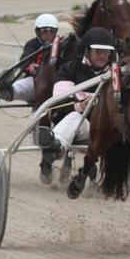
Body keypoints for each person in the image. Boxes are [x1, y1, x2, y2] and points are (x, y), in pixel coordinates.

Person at [38, 27, 116, 183]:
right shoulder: (69, 69)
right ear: (87, 51)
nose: (102, 56)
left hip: (100, 130)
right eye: (98, 51)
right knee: (75, 117)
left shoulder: (115, 76)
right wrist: (80, 106)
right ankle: (54, 147)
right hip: (73, 123)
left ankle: (55, 145)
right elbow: (59, 103)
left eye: (106, 52)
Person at [0, 13, 59, 102]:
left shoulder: (61, 44)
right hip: (36, 79)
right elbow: (25, 59)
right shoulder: (32, 44)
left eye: (51, 31)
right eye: (45, 31)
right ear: (38, 32)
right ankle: (8, 91)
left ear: (55, 31)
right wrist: (30, 67)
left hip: (57, 81)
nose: (48, 33)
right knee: (23, 86)